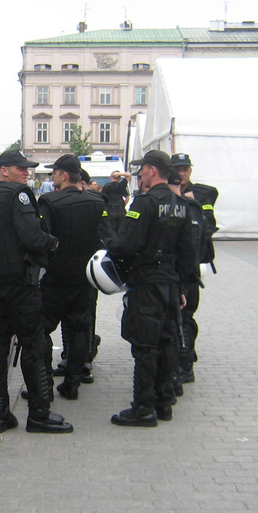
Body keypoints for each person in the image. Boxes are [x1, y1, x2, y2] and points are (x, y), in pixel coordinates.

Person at [0, 149, 73, 434]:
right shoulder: (19, 196)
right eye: (21, 168)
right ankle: (39, 414)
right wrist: (53, 244)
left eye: (27, 169)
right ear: (4, 170)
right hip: (22, 286)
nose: (26, 173)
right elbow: (31, 236)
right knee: (34, 345)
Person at [105, 150, 195, 427]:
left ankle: (143, 408)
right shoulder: (181, 204)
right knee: (168, 340)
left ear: (152, 170)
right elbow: (189, 251)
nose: (139, 174)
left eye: (142, 169)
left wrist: (109, 241)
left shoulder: (144, 203)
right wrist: (179, 284)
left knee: (145, 345)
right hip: (169, 283)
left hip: (146, 283)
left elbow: (126, 244)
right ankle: (164, 402)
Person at [37, 154, 106, 401]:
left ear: (64, 175)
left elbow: (41, 239)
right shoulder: (97, 202)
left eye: (54, 172)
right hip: (85, 278)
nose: (51, 176)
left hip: (56, 278)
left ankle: (43, 383)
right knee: (80, 330)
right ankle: (72, 383)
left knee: (41, 329)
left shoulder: (49, 201)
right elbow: (105, 239)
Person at [171, 153, 218, 384]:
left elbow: (209, 223)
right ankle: (179, 358)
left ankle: (186, 365)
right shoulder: (166, 192)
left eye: (185, 169)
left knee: (186, 318)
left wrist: (193, 204)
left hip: (189, 268)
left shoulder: (201, 194)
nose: (182, 174)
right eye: (178, 169)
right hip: (171, 265)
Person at [166, 169, 205, 396]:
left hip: (182, 276)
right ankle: (182, 367)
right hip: (187, 275)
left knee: (180, 323)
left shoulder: (187, 206)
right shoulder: (192, 205)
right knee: (182, 322)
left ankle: (184, 367)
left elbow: (191, 247)